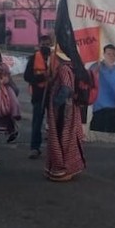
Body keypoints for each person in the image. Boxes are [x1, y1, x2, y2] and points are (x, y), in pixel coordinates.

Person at [45, 49, 86, 182]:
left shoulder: (63, 69)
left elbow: (66, 89)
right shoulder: (73, 67)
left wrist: (55, 103)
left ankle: (63, 168)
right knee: (69, 137)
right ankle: (69, 167)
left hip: (64, 110)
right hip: (70, 108)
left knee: (61, 137)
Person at [23, 35, 53, 158]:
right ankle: (35, 148)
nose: (45, 46)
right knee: (37, 122)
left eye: (47, 44)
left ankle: (55, 149)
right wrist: (42, 77)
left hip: (53, 95)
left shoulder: (55, 58)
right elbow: (27, 76)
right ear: (39, 45)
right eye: (43, 44)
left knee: (55, 123)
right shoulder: (33, 58)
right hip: (38, 95)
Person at [0, 48, 20, 143]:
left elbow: (7, 79)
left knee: (9, 109)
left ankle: (12, 130)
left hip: (5, 91)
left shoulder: (3, 67)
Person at [90, 44, 115, 133]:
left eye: (114, 54)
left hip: (113, 107)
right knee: (97, 134)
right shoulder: (97, 66)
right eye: (109, 54)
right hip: (100, 107)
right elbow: (89, 79)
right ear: (104, 54)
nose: (111, 56)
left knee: (114, 136)